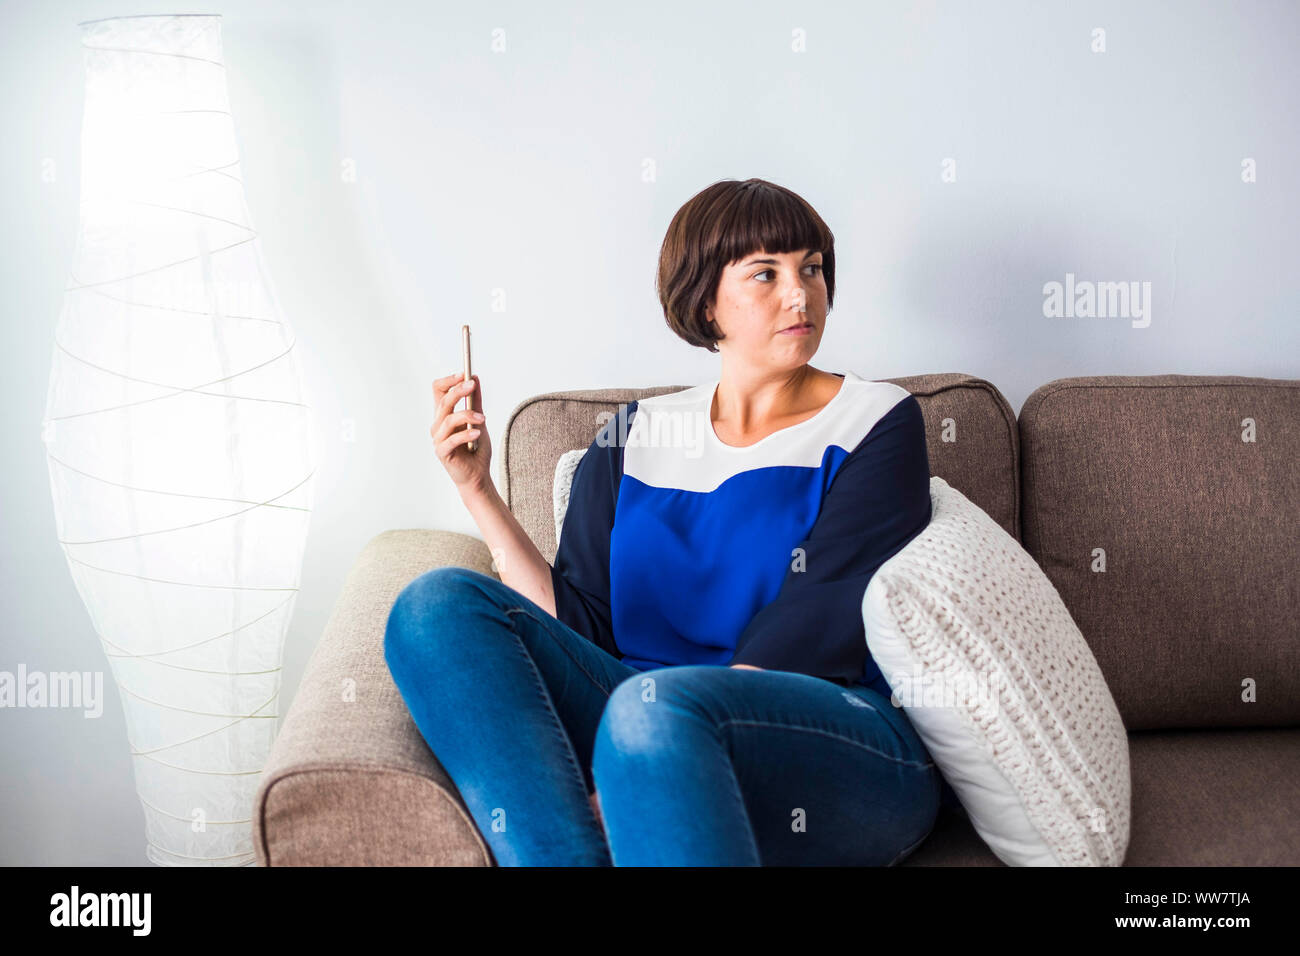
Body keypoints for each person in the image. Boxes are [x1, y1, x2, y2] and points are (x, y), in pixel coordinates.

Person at [384, 177, 951, 866]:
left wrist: (657, 748)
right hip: (641, 717)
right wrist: (477, 488)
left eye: (812, 268)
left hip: (830, 736)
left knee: (657, 708)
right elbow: (579, 627)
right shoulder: (632, 437)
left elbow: (822, 619)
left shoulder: (876, 422)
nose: (800, 294)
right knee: (433, 606)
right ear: (706, 302)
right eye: (766, 274)